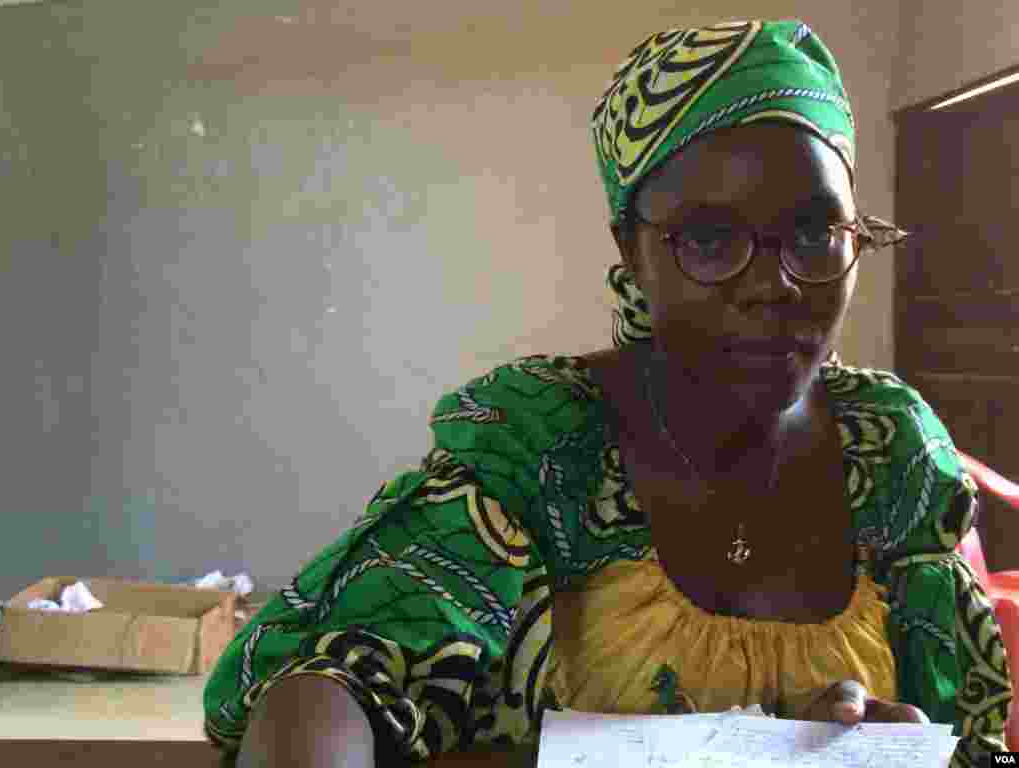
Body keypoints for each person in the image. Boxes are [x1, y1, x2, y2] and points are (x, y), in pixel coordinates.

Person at [203, 19, 1012, 768]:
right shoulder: (542, 445)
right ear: (631, 248)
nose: (774, 284)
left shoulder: (892, 454)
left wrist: (897, 749)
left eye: (815, 233)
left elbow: (970, 736)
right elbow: (334, 682)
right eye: (710, 238)